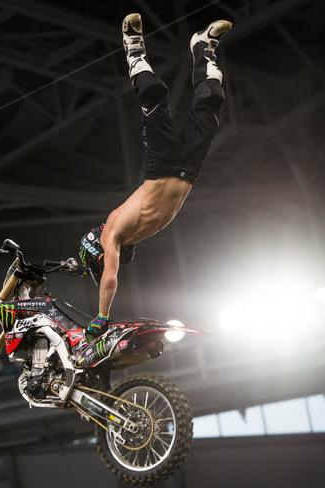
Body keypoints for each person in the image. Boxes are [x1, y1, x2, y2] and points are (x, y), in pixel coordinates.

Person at [77, 14, 232, 358]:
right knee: (211, 101)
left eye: (105, 260)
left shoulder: (112, 230)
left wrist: (101, 317)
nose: (112, 262)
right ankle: (203, 46)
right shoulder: (133, 236)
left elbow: (111, 279)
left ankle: (133, 49)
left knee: (153, 96)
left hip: (161, 167)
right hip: (189, 170)